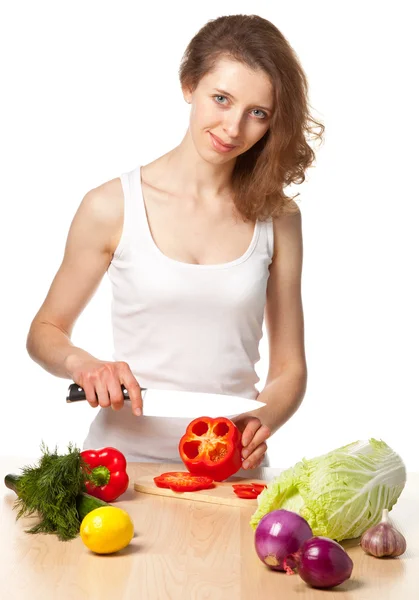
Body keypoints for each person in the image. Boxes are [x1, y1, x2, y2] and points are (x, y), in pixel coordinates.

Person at [26, 14, 324, 476]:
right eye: (221, 99)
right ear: (189, 85)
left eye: (257, 113)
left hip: (229, 471)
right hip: (120, 467)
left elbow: (290, 368)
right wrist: (83, 365)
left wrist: (260, 420)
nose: (232, 128)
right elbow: (45, 329)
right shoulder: (111, 205)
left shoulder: (278, 218)